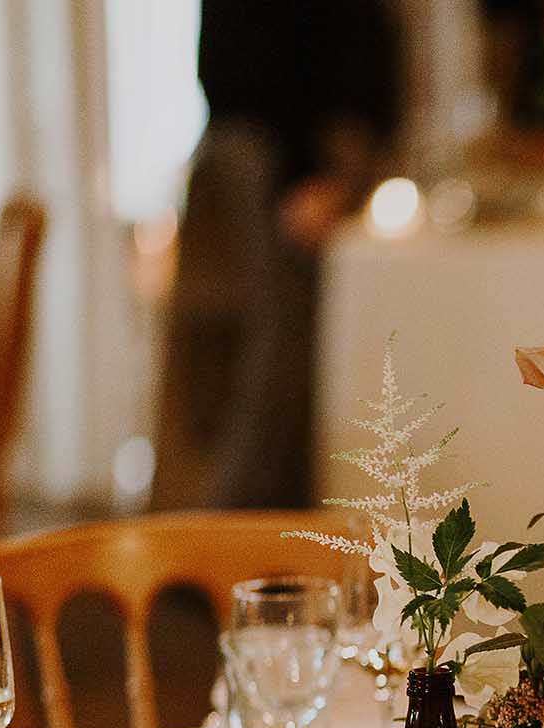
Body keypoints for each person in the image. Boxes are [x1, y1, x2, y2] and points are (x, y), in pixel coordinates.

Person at [153, 1, 401, 511]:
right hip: (276, 156)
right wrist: (315, 171)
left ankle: (207, 539)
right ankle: (234, 541)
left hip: (247, 143)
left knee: (229, 356)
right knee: (271, 361)